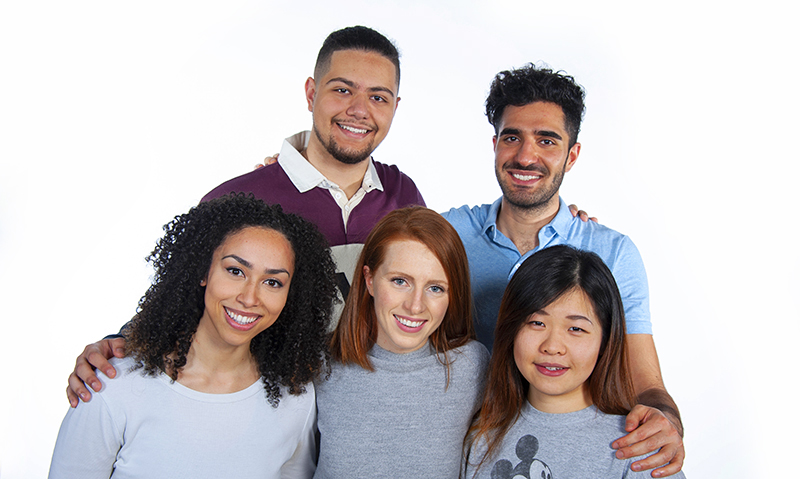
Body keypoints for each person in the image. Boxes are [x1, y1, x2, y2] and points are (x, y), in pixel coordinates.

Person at [65, 25, 427, 407]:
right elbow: (177, 304)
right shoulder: (238, 200)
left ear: (395, 107)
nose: (359, 109)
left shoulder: (405, 198)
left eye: (378, 97)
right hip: (270, 421)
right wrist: (117, 344)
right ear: (310, 93)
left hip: (368, 424)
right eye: (342, 89)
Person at [442, 64, 684, 476]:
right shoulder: (449, 236)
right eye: (512, 137)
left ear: (572, 155)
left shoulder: (610, 251)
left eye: (547, 140)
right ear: (495, 144)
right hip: (468, 449)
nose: (525, 156)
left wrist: (665, 422)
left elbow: (646, 381)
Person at [49, 194, 337, 478]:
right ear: (204, 271)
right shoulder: (114, 388)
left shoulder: (294, 399)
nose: (250, 298)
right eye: (235, 271)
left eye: (273, 282)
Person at [463, 245, 686, 479]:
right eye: (537, 323)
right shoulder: (479, 437)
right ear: (511, 330)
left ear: (605, 340)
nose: (552, 346)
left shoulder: (641, 448)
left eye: (576, 328)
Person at [314, 206, 490, 477]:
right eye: (399, 281)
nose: (415, 306)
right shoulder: (321, 364)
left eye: (435, 288)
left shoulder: (473, 366)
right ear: (369, 280)